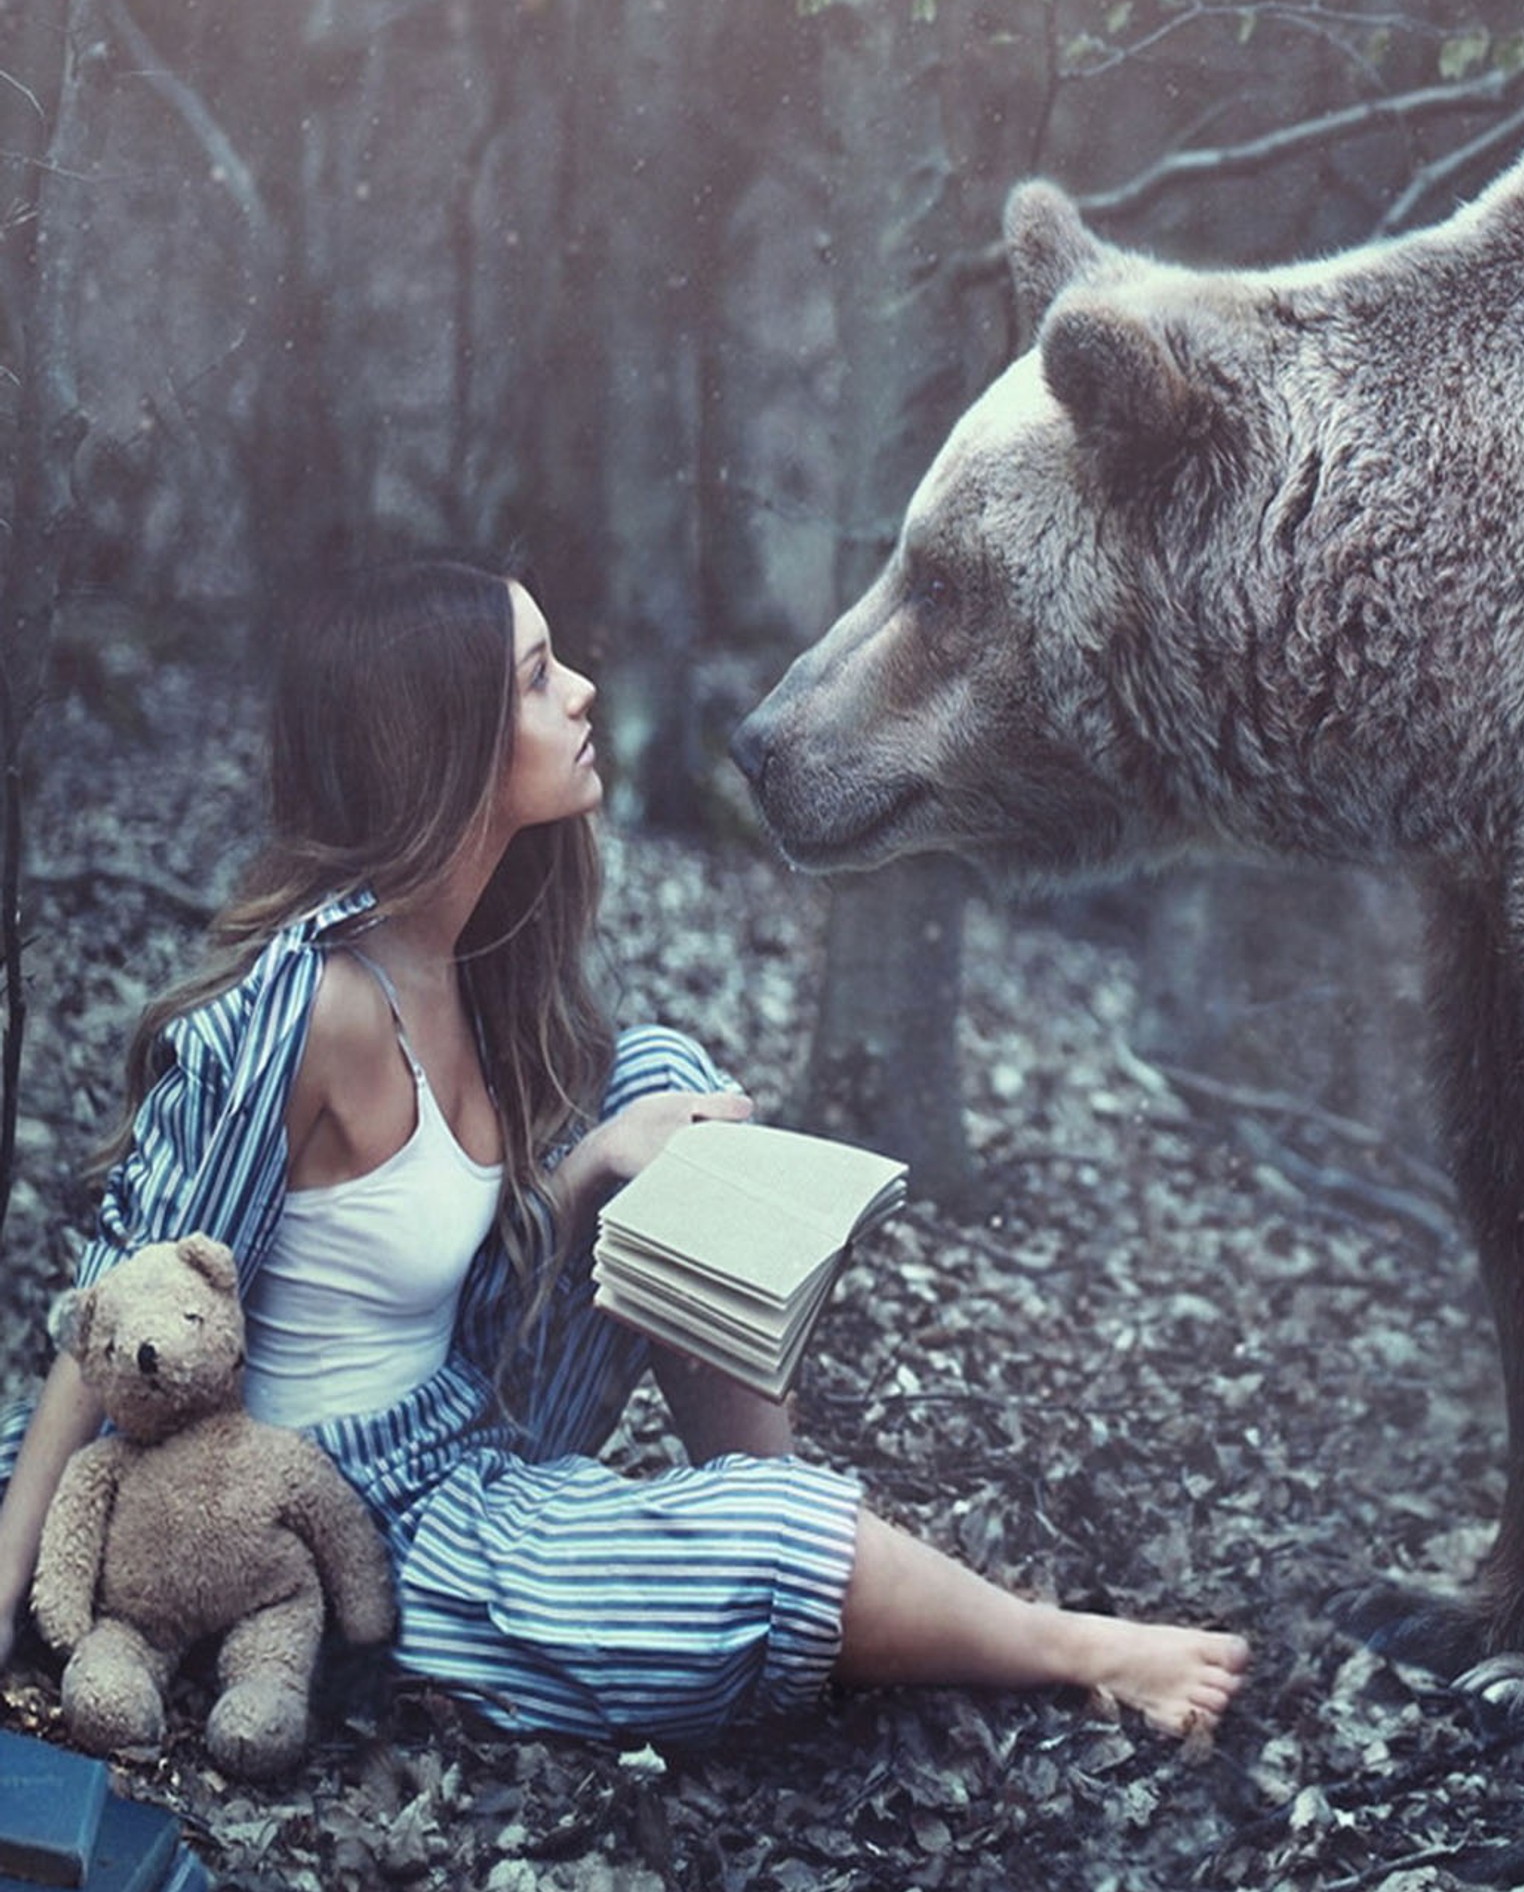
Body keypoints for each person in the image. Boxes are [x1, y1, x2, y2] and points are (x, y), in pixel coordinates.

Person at [0, 556, 1249, 1747]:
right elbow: (119, 1303)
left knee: (660, 1085)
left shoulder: (469, 960)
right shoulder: (313, 1007)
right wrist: (12, 1589)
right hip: (324, 1528)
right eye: (540, 678)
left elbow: (407, 1240)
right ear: (446, 745)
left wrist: (590, 1167)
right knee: (766, 1553)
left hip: (459, 1413)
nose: (581, 691)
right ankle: (1049, 1641)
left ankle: (757, 1517)